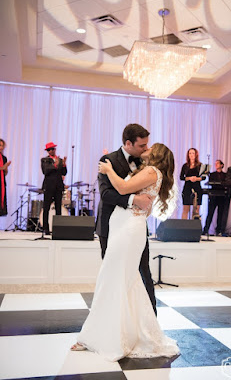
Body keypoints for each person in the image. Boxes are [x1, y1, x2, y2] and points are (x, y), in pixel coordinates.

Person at [71, 143, 179, 361]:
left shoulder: (151, 171)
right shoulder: (148, 170)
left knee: (113, 278)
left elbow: (121, 188)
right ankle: (117, 333)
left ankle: (107, 336)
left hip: (129, 229)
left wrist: (108, 170)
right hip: (124, 226)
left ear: (157, 154)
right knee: (121, 280)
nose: (146, 148)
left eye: (150, 146)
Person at [95, 124, 156, 314]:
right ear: (128, 143)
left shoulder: (146, 163)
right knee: (112, 274)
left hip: (136, 226)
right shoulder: (108, 160)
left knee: (144, 271)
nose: (146, 149)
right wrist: (134, 199)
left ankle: (150, 319)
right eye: (142, 145)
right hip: (111, 226)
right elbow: (106, 194)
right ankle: (113, 319)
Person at [41, 142, 67, 235]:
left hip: (58, 186)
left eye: (53, 149)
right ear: (48, 151)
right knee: (46, 208)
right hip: (48, 186)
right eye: (49, 149)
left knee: (58, 207)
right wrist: (55, 165)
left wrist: (63, 164)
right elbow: (45, 171)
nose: (51, 150)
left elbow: (64, 172)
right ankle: (45, 228)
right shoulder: (44, 160)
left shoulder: (59, 160)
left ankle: (58, 228)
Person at [203, 160, 229, 236]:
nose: (216, 165)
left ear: (222, 165)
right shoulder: (212, 174)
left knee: (220, 214)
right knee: (210, 213)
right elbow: (211, 183)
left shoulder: (225, 175)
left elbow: (226, 183)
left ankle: (219, 230)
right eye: (215, 163)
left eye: (217, 163)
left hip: (222, 196)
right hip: (213, 196)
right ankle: (205, 230)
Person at [180, 148, 203, 219]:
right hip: (187, 188)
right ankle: (183, 227)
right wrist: (189, 178)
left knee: (196, 210)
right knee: (185, 209)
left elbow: (203, 177)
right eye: (190, 153)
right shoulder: (185, 166)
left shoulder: (200, 165)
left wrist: (196, 178)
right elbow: (181, 177)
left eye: (193, 153)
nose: (191, 155)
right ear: (188, 155)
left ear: (196, 154)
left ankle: (195, 227)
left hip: (197, 187)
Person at [0, 139, 11, 216]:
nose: (1, 147)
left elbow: (5, 173)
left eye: (2, 145)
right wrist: (2, 167)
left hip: (1, 183)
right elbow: (2, 168)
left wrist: (6, 169)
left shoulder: (4, 158)